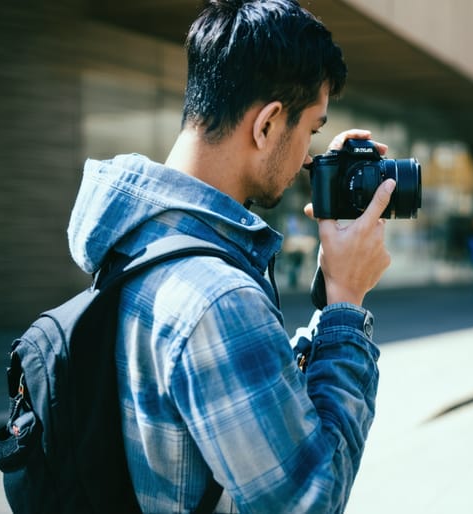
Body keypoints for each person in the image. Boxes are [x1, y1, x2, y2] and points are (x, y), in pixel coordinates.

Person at [66, 1, 394, 511]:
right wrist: (347, 305)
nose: (310, 156)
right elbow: (309, 498)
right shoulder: (216, 300)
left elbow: (238, 394)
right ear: (266, 126)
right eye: (310, 130)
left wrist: (328, 295)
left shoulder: (137, 239)